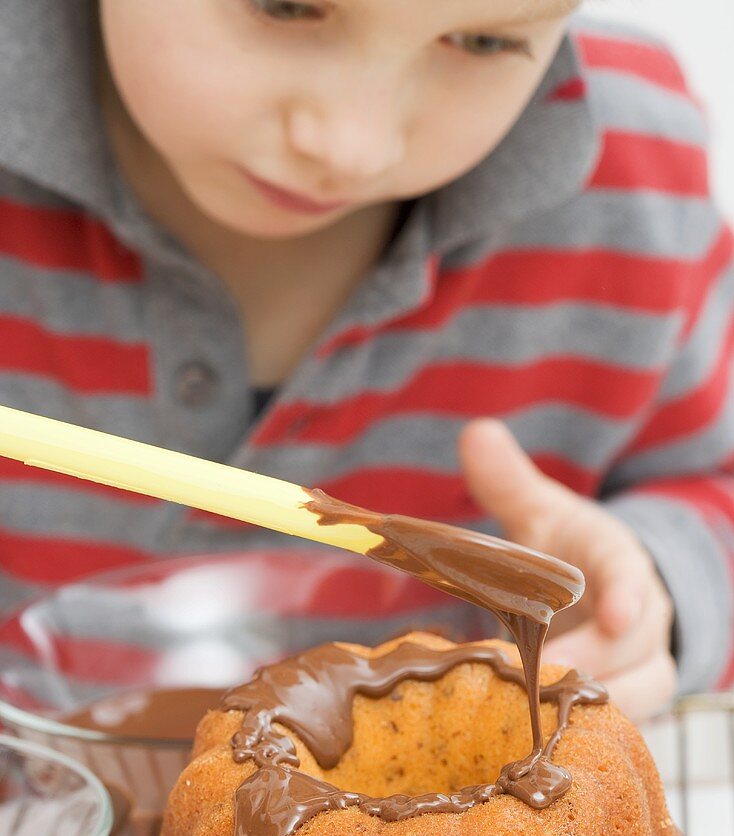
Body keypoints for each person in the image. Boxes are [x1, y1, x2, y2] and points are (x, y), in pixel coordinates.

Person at [0, 0, 731, 722]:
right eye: (284, 8)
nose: (352, 146)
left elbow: (713, 494)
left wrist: (650, 593)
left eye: (480, 41)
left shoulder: (637, 177)